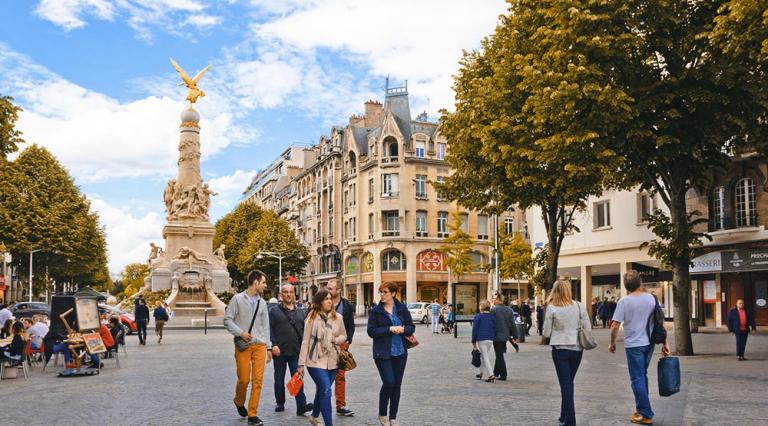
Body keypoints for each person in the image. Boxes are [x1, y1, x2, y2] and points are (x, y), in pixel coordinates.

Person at [609, 271, 670, 425]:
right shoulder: (651, 298)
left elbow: (615, 325)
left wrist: (612, 343)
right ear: (640, 282)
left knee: (637, 378)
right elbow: (660, 322)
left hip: (633, 345)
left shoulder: (624, 302)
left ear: (626, 286)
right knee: (642, 376)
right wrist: (665, 343)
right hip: (649, 343)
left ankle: (646, 413)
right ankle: (641, 408)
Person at [224, 269, 273, 426]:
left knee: (257, 381)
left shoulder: (262, 303)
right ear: (255, 282)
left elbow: (266, 327)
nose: (265, 285)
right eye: (263, 282)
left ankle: (253, 414)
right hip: (243, 345)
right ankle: (239, 401)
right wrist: (241, 332)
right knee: (244, 379)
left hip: (259, 345)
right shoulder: (237, 299)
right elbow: (227, 320)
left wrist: (269, 348)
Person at [543, 280, 591, 426]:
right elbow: (588, 327)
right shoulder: (578, 305)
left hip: (560, 349)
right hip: (577, 349)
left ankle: (570, 420)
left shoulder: (552, 308)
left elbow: (546, 332)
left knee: (566, 384)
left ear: (555, 291)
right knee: (568, 383)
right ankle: (563, 415)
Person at [367, 282, 415, 426]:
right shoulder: (376, 311)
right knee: (389, 382)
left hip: (400, 352)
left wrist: (403, 330)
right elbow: (371, 331)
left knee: (397, 385)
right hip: (382, 353)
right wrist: (389, 329)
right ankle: (382, 414)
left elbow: (411, 327)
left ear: (393, 294)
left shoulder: (401, 308)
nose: (382, 294)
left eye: (385, 292)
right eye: (380, 292)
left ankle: (393, 417)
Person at [297, 289, 347, 426]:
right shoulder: (311, 319)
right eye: (326, 299)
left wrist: (336, 339)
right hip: (314, 360)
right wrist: (301, 364)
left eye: (330, 298)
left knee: (322, 390)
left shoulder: (338, 317)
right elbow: (305, 341)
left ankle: (314, 416)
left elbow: (344, 335)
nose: (330, 301)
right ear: (319, 302)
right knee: (326, 389)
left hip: (333, 361)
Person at [269, 283, 313, 416]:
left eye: (291, 292)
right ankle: (280, 402)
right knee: (279, 379)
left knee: (297, 378)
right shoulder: (274, 311)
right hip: (279, 351)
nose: (288, 294)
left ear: (294, 294)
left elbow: (305, 332)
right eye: (285, 292)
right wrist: (273, 345)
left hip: (296, 351)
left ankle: (301, 406)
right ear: (281, 295)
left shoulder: (301, 311)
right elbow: (269, 330)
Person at [325, 279, 355, 417]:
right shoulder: (321, 303)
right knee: (323, 376)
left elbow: (350, 326)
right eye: (327, 287)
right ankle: (322, 403)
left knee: (340, 376)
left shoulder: (346, 305)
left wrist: (347, 341)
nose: (328, 290)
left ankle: (341, 405)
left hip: (340, 345)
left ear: (338, 291)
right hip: (323, 346)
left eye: (331, 288)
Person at [491, 293, 518, 381]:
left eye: (494, 299)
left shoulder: (494, 310)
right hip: (505, 336)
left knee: (499, 356)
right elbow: (513, 324)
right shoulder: (509, 310)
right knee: (499, 354)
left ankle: (503, 375)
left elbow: (491, 324)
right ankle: (495, 372)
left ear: (498, 299)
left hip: (497, 336)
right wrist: (515, 336)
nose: (493, 300)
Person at [472, 300, 497, 383]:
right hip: (490, 339)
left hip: (482, 339)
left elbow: (475, 330)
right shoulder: (492, 317)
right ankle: (481, 373)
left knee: (485, 357)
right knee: (483, 356)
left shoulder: (478, 316)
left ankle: (491, 375)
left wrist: (473, 341)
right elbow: (494, 328)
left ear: (481, 307)